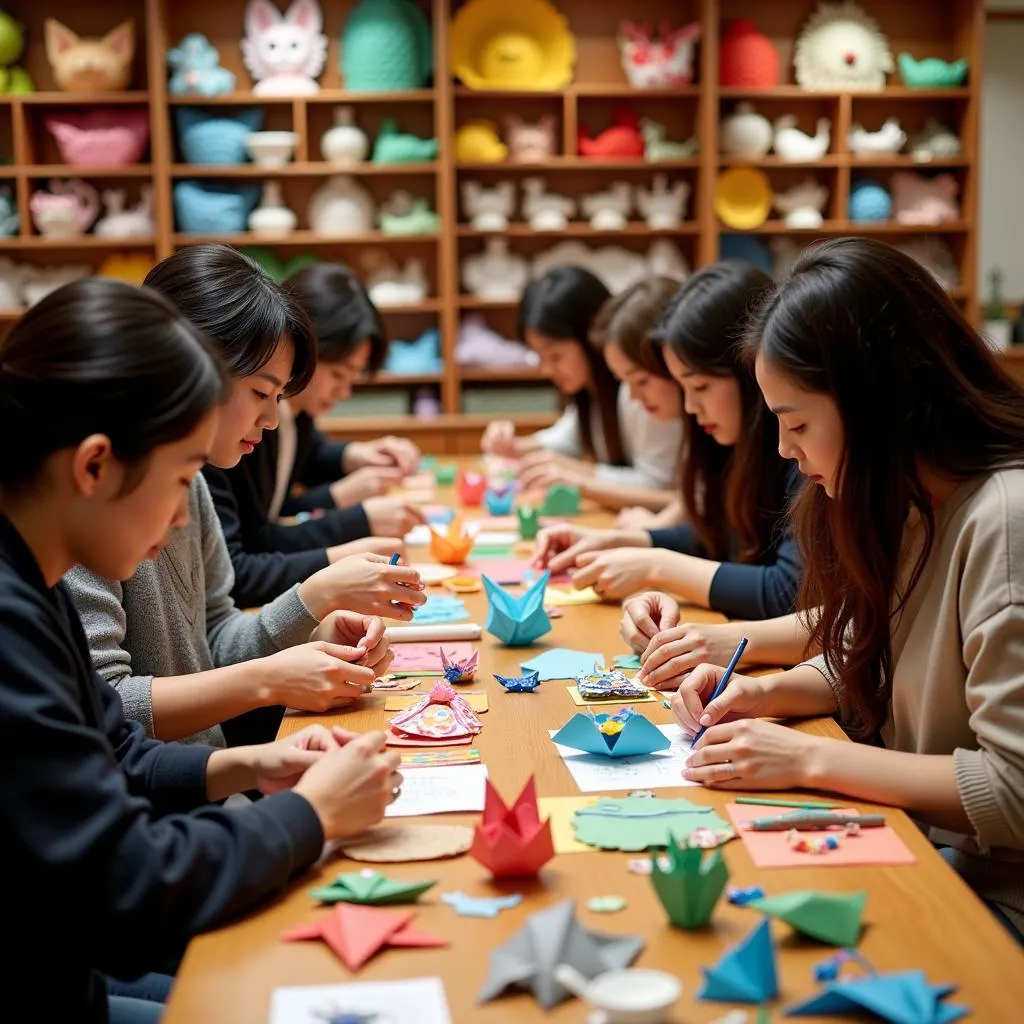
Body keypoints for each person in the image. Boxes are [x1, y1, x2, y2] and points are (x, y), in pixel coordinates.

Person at [0, 278, 403, 1022]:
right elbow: (126, 881)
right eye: (183, 479)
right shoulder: (13, 610)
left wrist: (254, 765)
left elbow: (116, 753)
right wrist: (309, 814)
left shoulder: (37, 575)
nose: (186, 514)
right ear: (94, 466)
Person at [673, 238, 1024, 943]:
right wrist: (768, 693)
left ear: (880, 404)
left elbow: (1015, 791)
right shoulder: (910, 499)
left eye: (798, 424)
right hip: (935, 858)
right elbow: (879, 648)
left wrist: (808, 757)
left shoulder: (1003, 521)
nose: (784, 451)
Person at [64, 245, 426, 749]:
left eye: (278, 398)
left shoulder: (191, 482)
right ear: (191, 368)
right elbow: (103, 711)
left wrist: (314, 638)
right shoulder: (88, 501)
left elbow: (210, 638)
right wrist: (274, 673)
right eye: (261, 393)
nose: (273, 420)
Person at [535, 262, 802, 621]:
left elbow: (786, 591)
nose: (690, 406)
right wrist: (628, 542)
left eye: (700, 387)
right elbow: (719, 532)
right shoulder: (733, 443)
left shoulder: (795, 450)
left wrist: (655, 566)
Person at [203, 261, 424, 607]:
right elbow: (242, 565)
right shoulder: (223, 435)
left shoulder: (283, 417)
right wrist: (345, 543)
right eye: (339, 374)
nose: (272, 419)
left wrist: (351, 457)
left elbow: (297, 469)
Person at [480, 266, 682, 510]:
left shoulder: (643, 392)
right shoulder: (594, 392)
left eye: (556, 356)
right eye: (539, 356)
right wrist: (510, 445)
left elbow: (662, 487)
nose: (546, 369)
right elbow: (567, 438)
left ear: (590, 337)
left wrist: (577, 475)